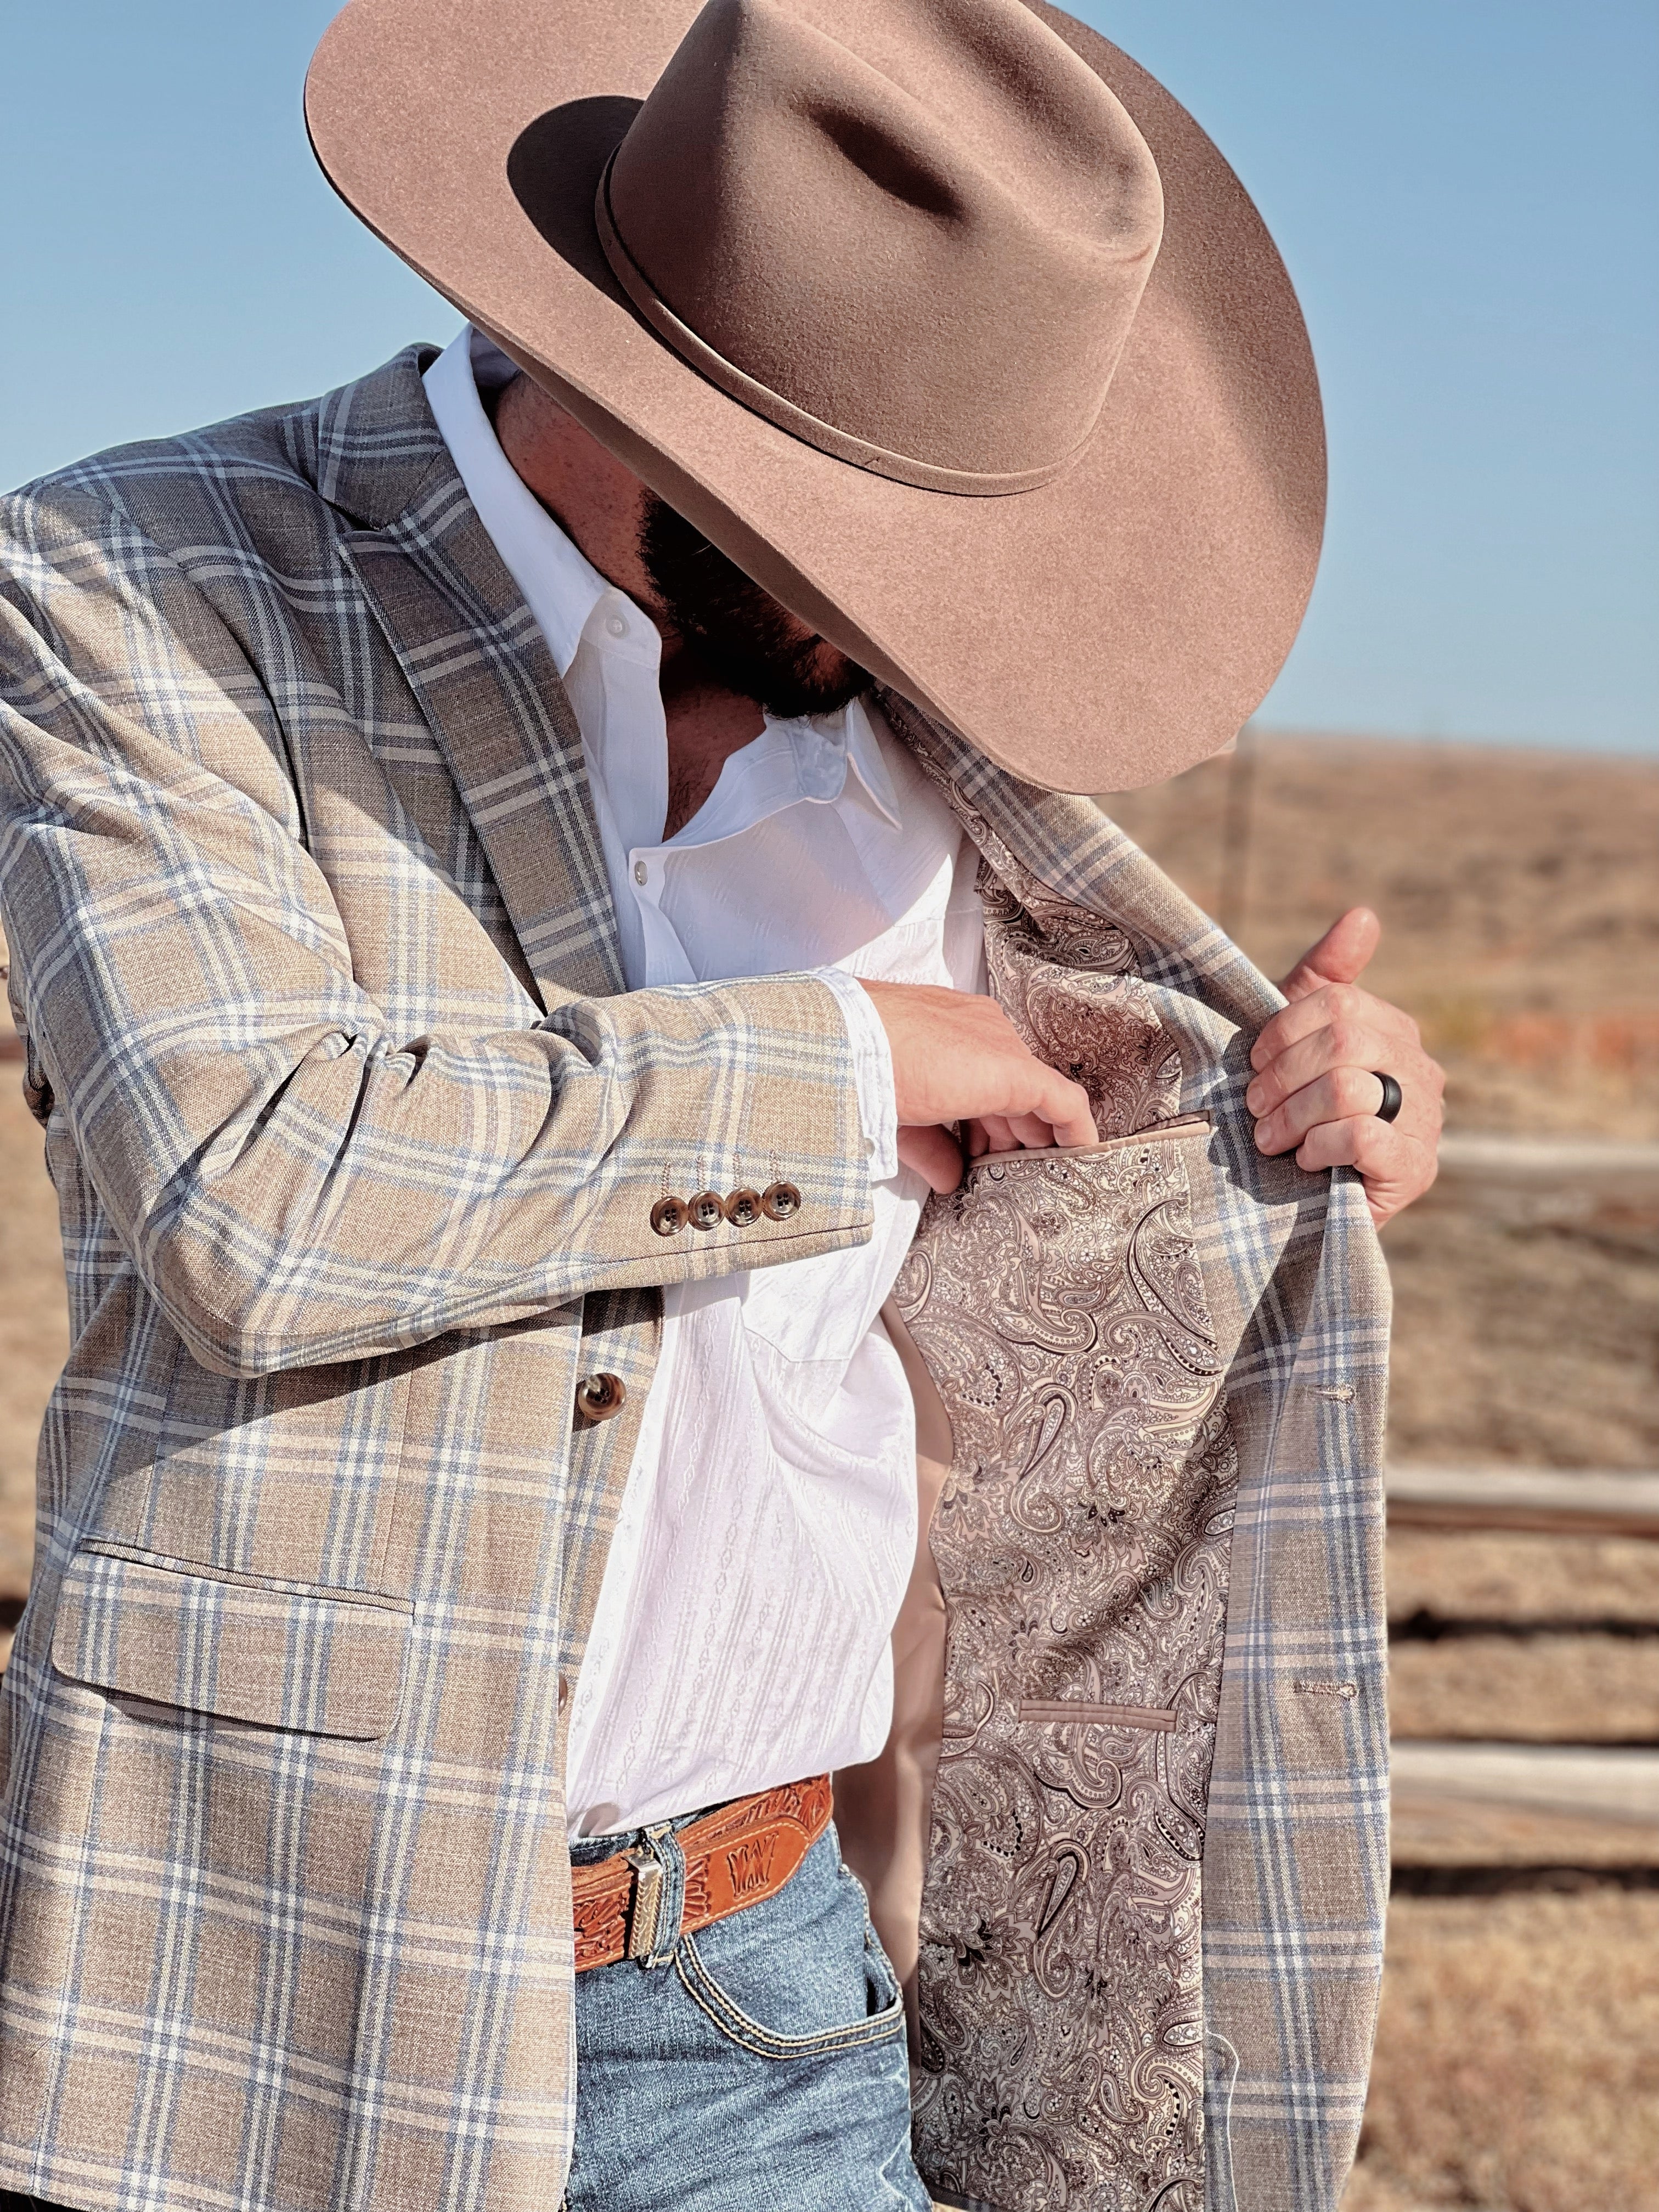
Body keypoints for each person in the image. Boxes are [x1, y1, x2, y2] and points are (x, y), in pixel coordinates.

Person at [0, 2, 1444, 2209]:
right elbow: (250, 1184)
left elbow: (1108, 1148)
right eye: (853, 538)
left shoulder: (932, 748)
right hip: (265, 1990)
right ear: (624, 361)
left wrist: (1319, 1123)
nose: (921, 622)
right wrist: (848, 1059)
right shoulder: (141, 590)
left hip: (764, 2001)